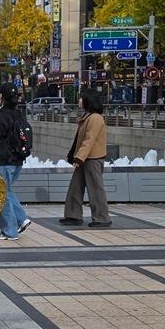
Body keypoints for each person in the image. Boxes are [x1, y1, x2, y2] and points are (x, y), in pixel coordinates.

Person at [61, 89, 112, 228]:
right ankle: (73, 215)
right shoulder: (88, 116)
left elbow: (89, 140)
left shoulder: (95, 118)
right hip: (85, 158)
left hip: (92, 158)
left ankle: (102, 218)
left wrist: (79, 157)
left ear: (88, 100)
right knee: (75, 187)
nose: (79, 100)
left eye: (81, 98)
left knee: (95, 189)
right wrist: (77, 156)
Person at [0, 84, 32, 242]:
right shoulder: (18, 115)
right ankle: (21, 219)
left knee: (3, 194)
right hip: (17, 161)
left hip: (4, 161)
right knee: (6, 191)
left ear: (2, 97)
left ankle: (10, 231)